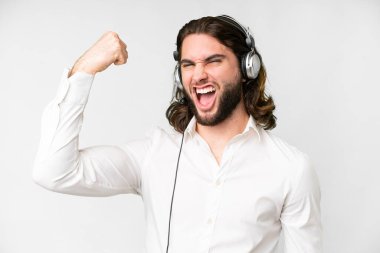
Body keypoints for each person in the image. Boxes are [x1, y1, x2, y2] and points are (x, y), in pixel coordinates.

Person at [33, 15, 322, 253]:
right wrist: (84, 70)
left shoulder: (291, 168)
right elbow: (53, 172)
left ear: (247, 68)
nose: (198, 75)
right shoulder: (153, 154)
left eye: (213, 61)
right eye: (188, 65)